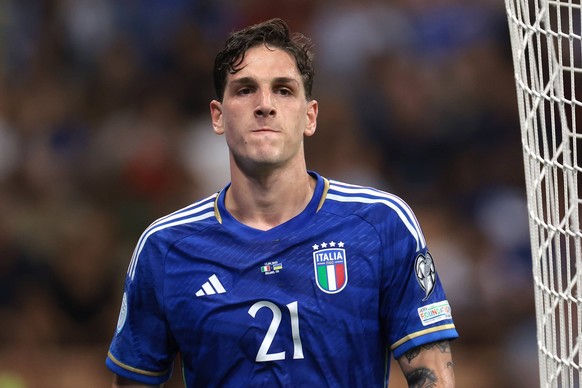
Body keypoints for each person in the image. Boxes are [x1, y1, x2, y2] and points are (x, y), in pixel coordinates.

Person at [106, 18, 458, 387]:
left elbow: (432, 375)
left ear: (310, 116)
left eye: (284, 90)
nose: (265, 105)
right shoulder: (165, 248)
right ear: (218, 116)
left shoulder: (381, 224)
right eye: (245, 90)